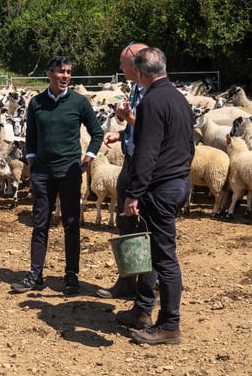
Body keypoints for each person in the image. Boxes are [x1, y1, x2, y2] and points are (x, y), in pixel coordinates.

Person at [116, 47, 194, 345]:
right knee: (153, 250)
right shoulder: (179, 99)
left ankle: (169, 324)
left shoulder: (150, 102)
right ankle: (142, 310)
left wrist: (134, 194)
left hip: (160, 188)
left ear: (138, 73)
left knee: (164, 257)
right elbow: (190, 145)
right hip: (178, 183)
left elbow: (146, 154)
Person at [11, 55, 104, 295]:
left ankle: (71, 275)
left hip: (69, 171)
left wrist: (89, 156)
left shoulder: (79, 102)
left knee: (71, 223)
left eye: (69, 72)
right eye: (61, 71)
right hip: (42, 172)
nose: (65, 76)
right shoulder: (36, 103)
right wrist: (31, 161)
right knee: (40, 222)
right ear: (49, 73)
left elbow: (97, 131)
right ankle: (35, 273)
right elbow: (31, 135)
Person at [96, 41, 149, 299]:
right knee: (125, 222)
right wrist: (122, 133)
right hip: (130, 161)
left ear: (136, 64)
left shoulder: (153, 91)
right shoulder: (137, 89)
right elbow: (137, 125)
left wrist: (129, 121)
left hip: (145, 166)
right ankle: (128, 280)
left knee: (146, 225)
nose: (119, 67)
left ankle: (151, 286)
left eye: (122, 63)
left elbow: (151, 130)